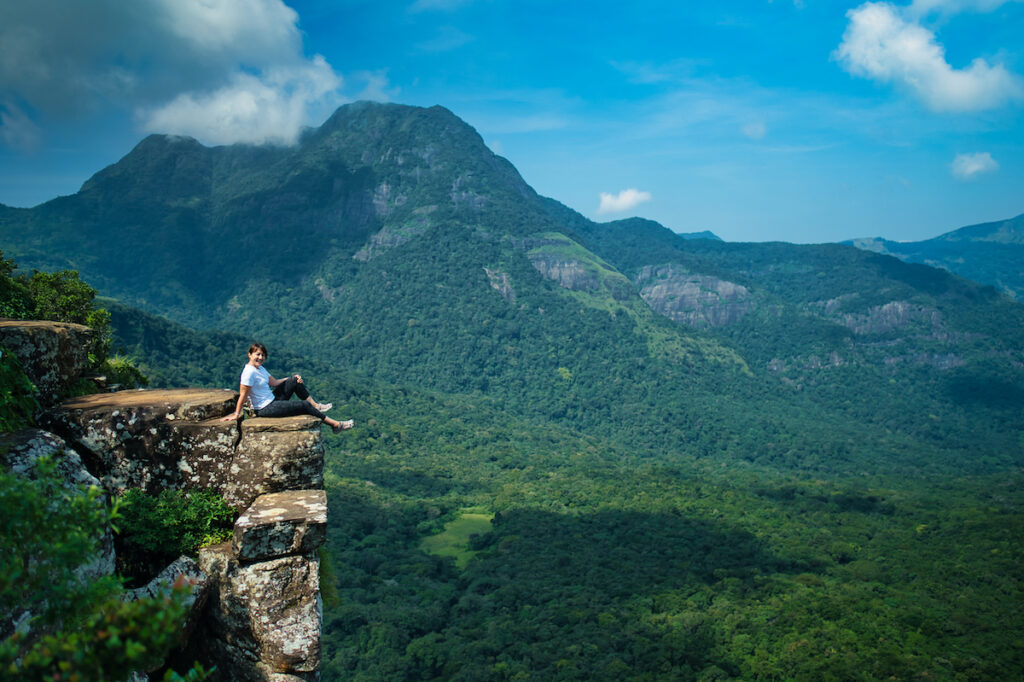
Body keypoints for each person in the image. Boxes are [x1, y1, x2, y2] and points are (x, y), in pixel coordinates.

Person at [221, 342, 354, 433]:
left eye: (262, 355)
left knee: (294, 381)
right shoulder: (248, 373)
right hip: (265, 408)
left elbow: (274, 383)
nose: (260, 357)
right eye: (257, 354)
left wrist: (293, 378)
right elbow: (243, 395)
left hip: (273, 399)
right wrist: (236, 414)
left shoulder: (259, 369)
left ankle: (316, 406)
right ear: (249, 354)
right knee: (303, 406)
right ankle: (335, 425)